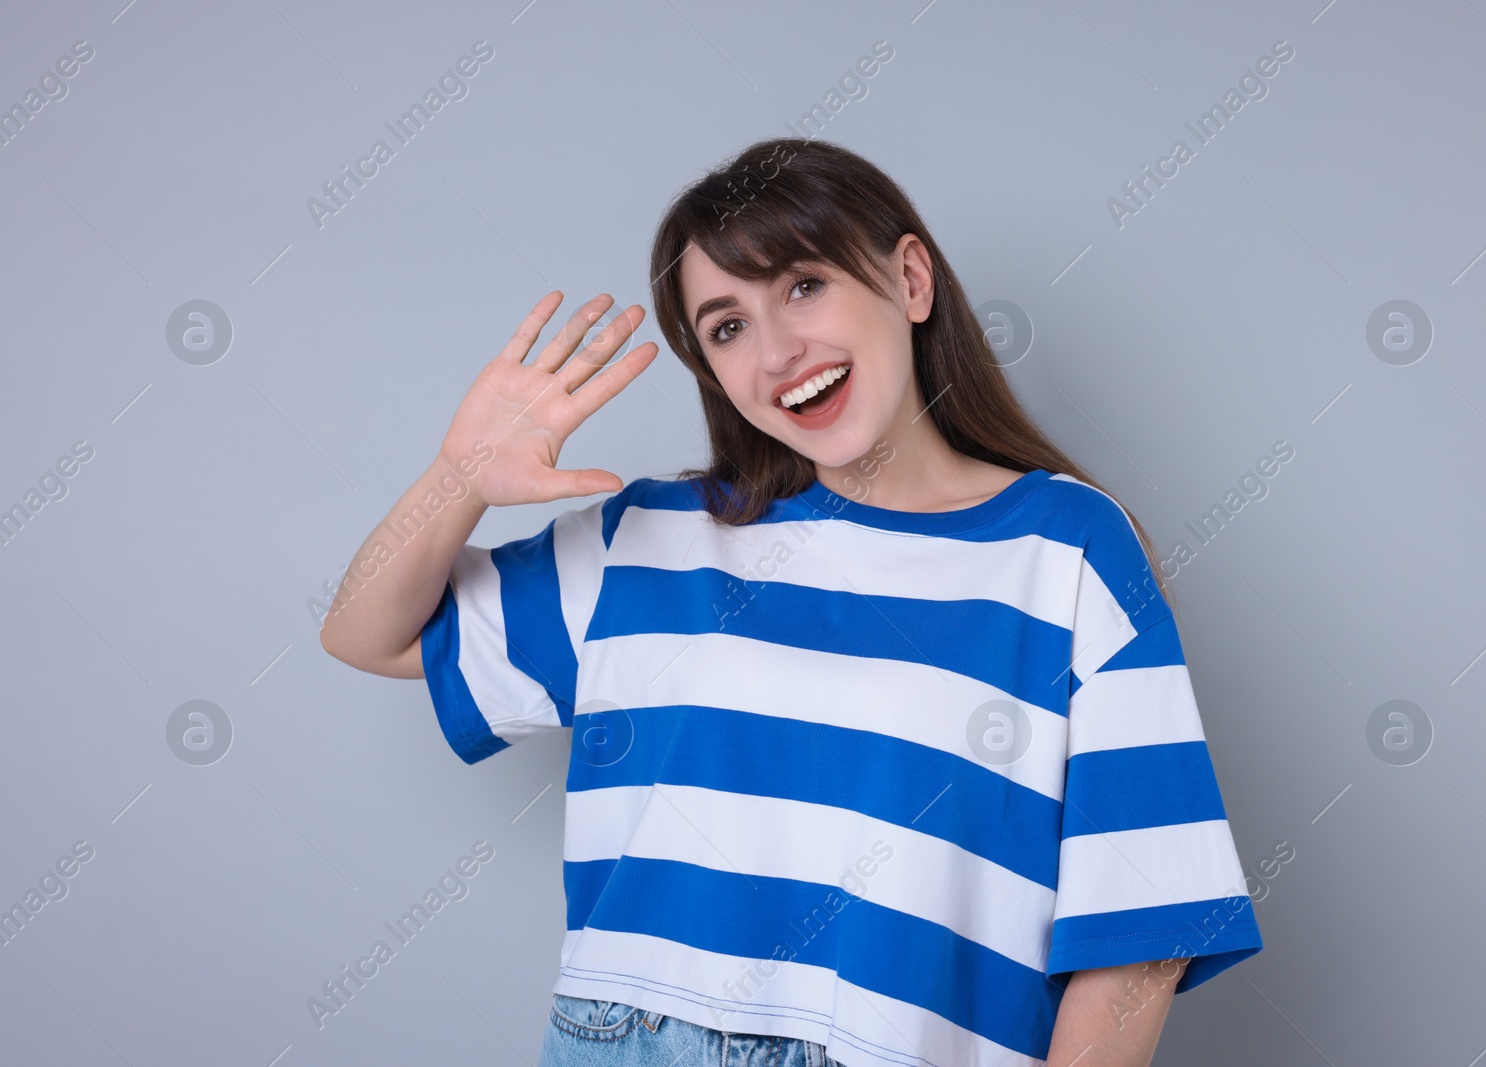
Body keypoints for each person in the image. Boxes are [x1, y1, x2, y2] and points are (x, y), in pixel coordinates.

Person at [319, 137, 1262, 1067]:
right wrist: (460, 479)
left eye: (803, 285)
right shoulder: (649, 538)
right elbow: (367, 633)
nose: (776, 352)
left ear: (910, 280)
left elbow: (1143, 920)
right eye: (727, 326)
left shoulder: (1069, 548)